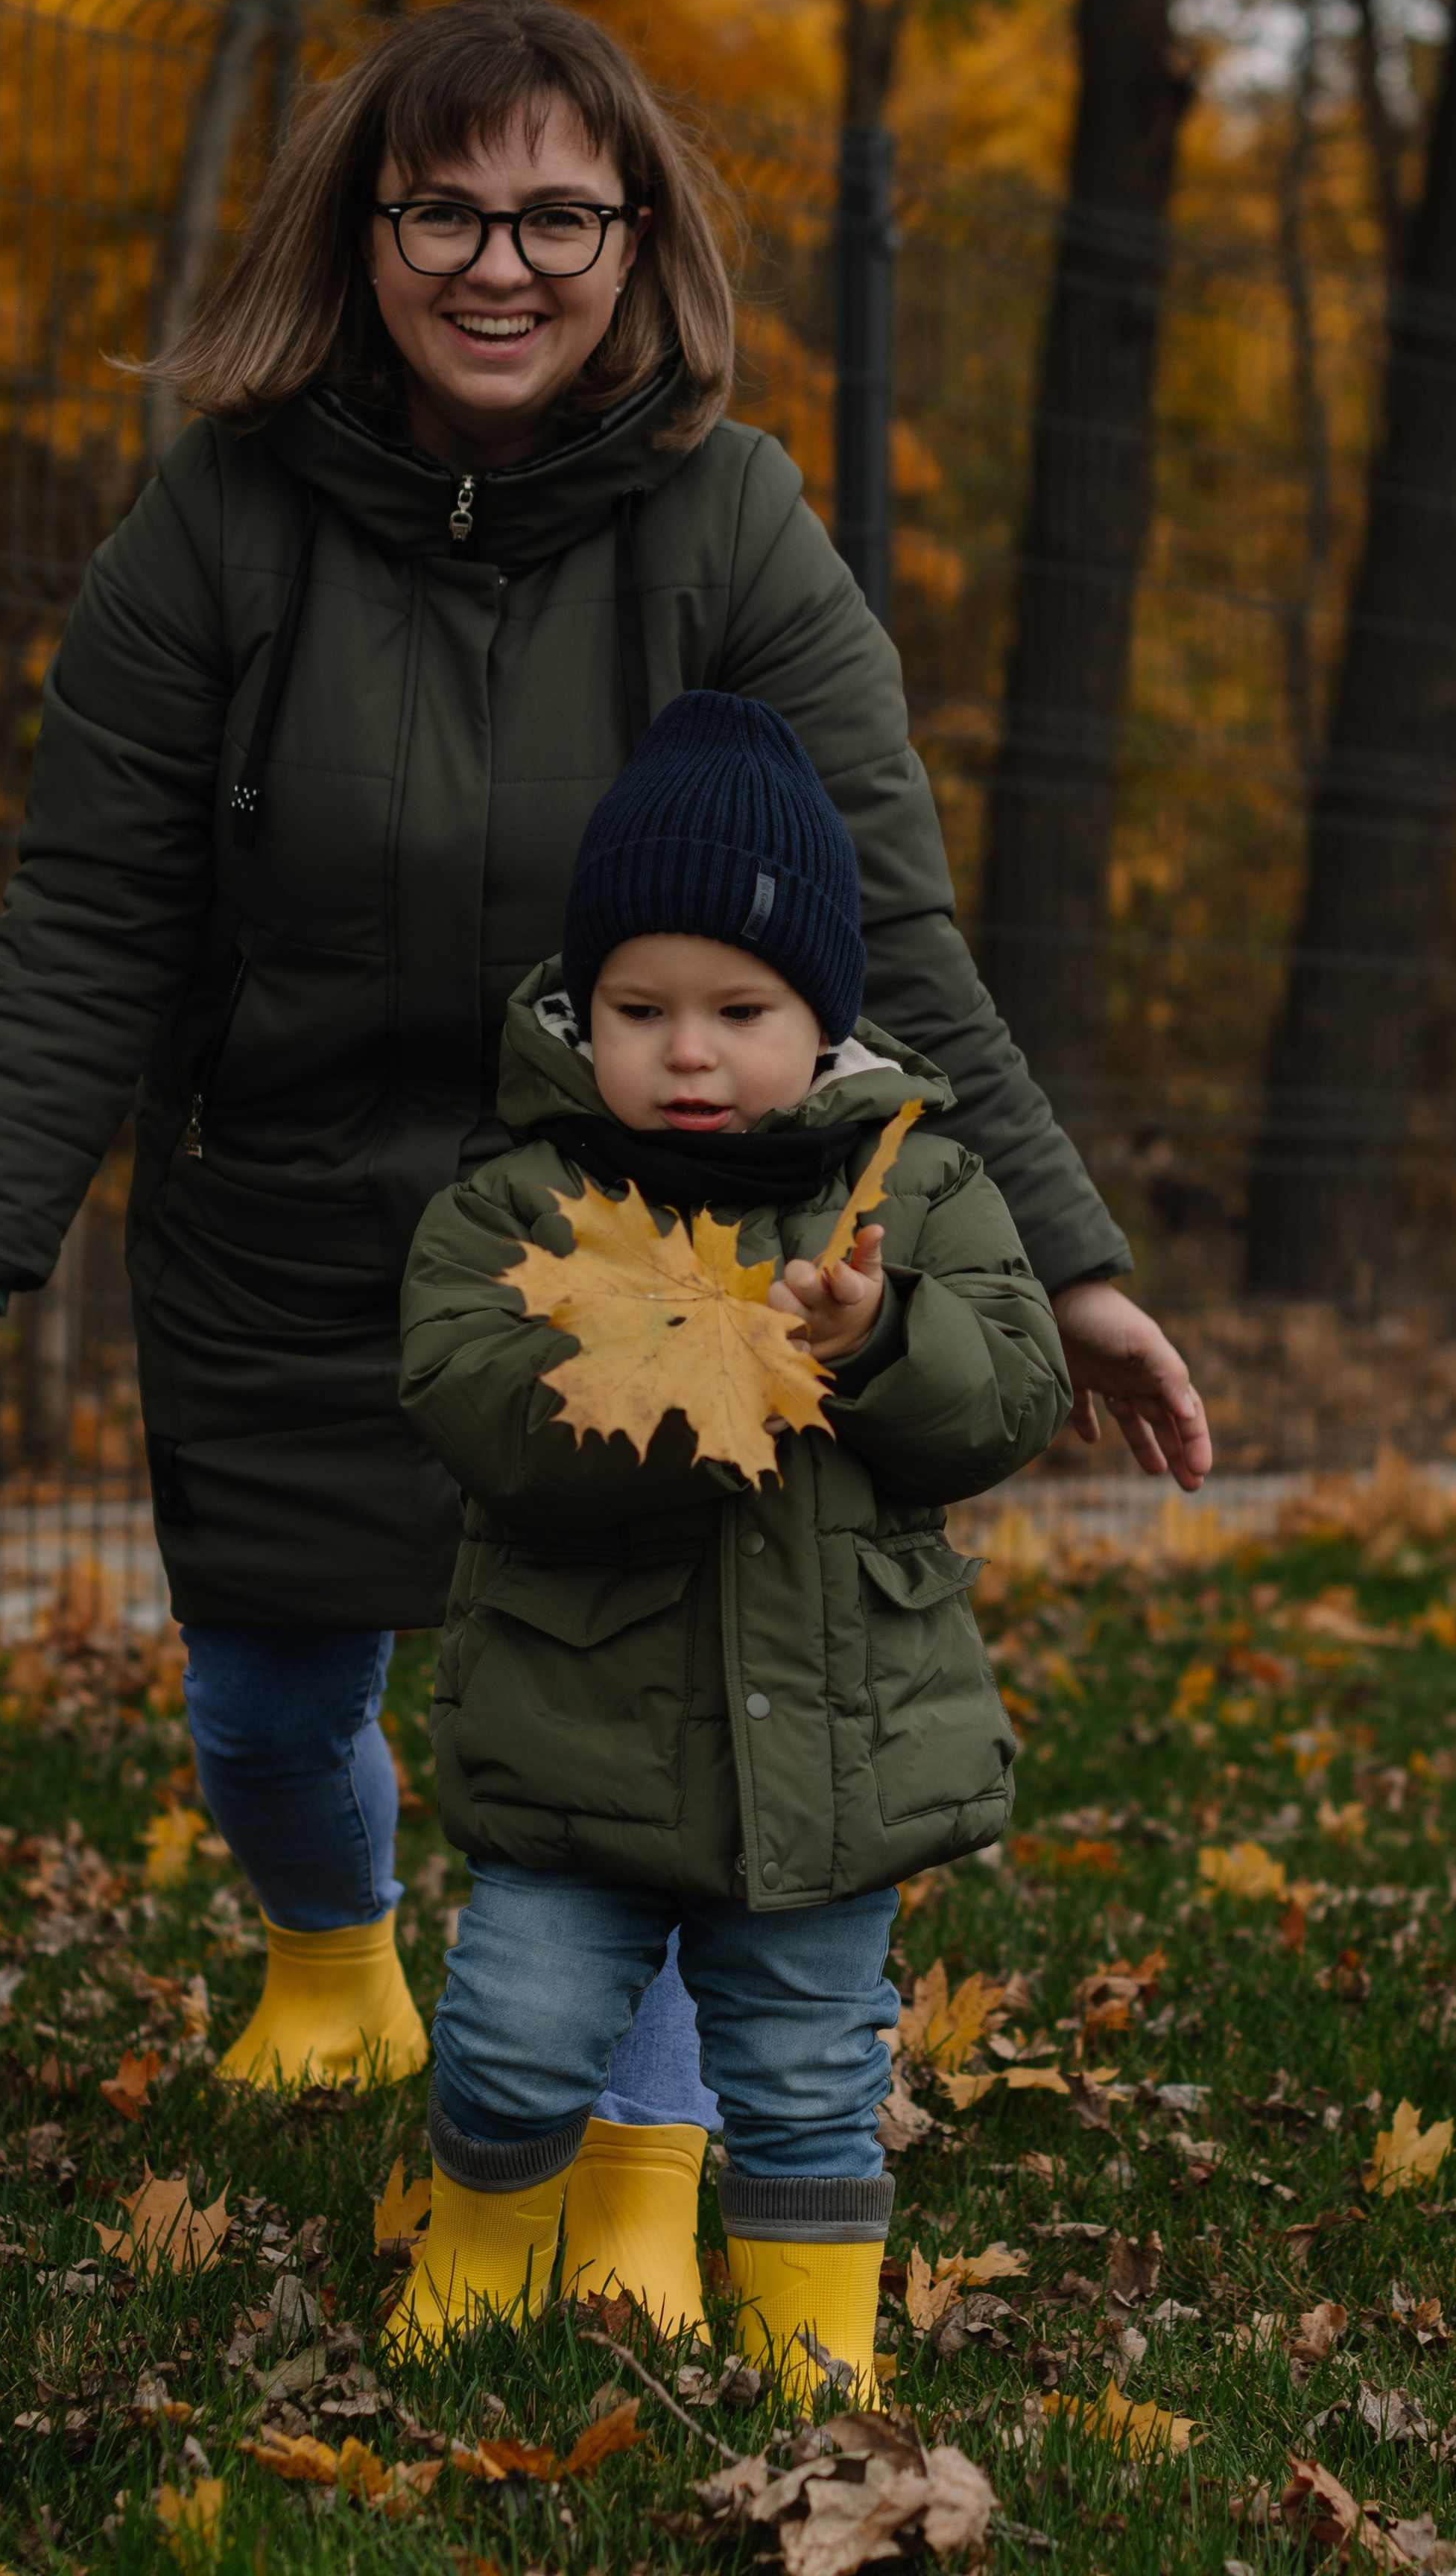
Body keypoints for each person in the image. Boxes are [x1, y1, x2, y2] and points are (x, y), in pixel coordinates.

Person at [0, 0, 1211, 2322]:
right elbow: (91, 916)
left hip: (661, 1233)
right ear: (365, 226)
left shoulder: (736, 523)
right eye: (445, 210)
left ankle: (637, 2169)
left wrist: (1083, 1265)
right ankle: (336, 1960)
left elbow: (889, 926)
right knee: (270, 1707)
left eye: (555, 215)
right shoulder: (216, 522)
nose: (496, 266)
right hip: (301, 1218)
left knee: (643, 1726)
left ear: (636, 242)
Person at [390, 688, 1067, 2385]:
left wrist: (878, 1340)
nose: (688, 1053)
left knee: (806, 2070)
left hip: (831, 1759)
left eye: (739, 1010)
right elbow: (474, 1406)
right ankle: (475, 2263)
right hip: (578, 1746)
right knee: (517, 2032)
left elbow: (1010, 1396)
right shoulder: (515, 1203)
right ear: (583, 1011)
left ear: (820, 1014)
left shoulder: (916, 1192)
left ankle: (811, 2347)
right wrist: (693, 1375)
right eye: (640, 1008)